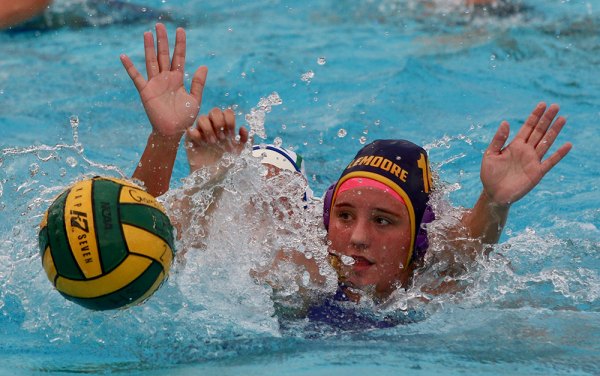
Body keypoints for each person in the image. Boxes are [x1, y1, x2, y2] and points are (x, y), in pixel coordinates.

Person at [121, 24, 572, 321]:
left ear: (417, 238)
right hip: (278, 195)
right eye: (344, 215)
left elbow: (469, 248)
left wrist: (494, 201)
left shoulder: (439, 285)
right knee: (260, 180)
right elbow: (149, 246)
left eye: (382, 220)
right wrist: (173, 147)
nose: (356, 238)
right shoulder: (293, 267)